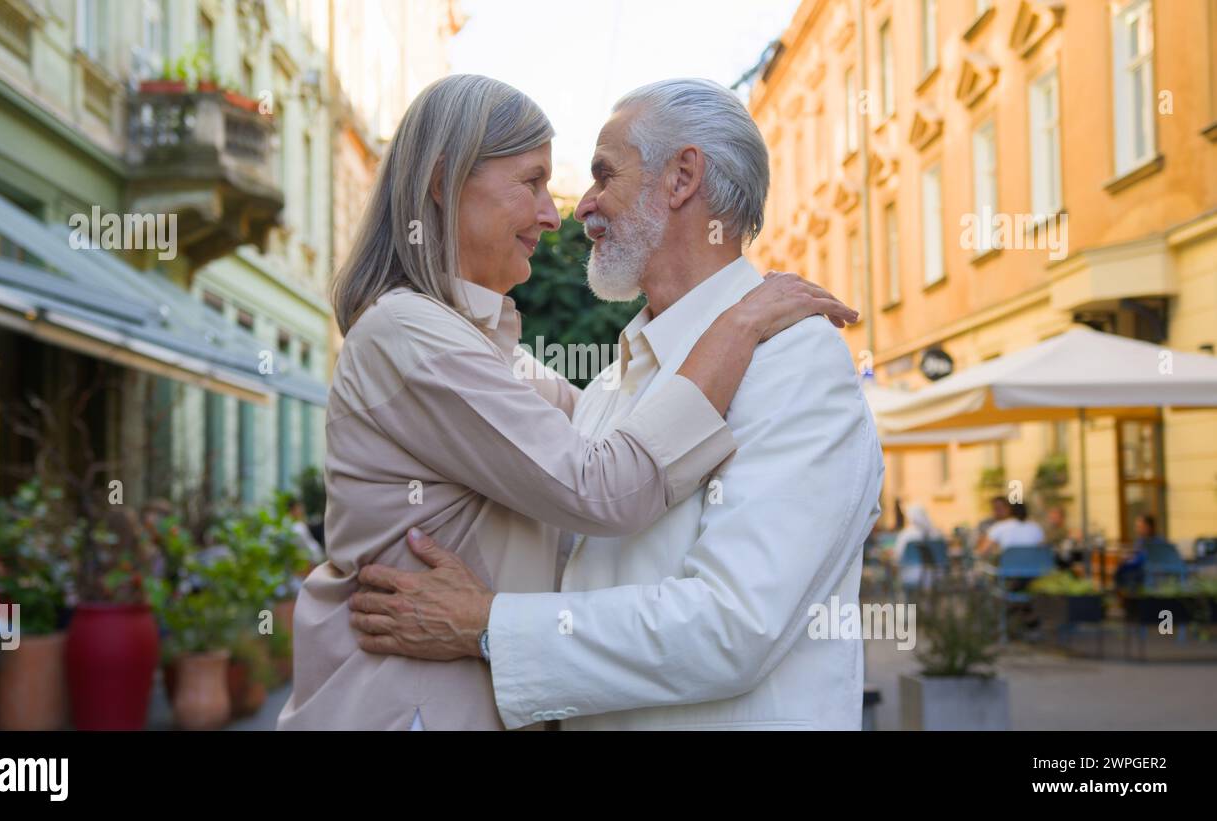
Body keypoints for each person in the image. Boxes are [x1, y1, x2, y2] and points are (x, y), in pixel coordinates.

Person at [278, 75, 858, 731]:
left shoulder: (794, 361)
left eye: (601, 174)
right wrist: (736, 326)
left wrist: (486, 622)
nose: (568, 211)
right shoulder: (425, 336)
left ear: (681, 178)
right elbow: (602, 487)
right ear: (444, 182)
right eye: (533, 183)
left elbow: (734, 625)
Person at [886, 503, 943, 589]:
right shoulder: (937, 533)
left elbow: (898, 556)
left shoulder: (906, 535)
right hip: (937, 575)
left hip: (912, 576)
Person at [977, 501, 1046, 558]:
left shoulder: (1000, 526)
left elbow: (983, 551)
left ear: (1009, 511)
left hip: (1008, 570)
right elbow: (1041, 548)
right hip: (1034, 568)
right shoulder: (1036, 527)